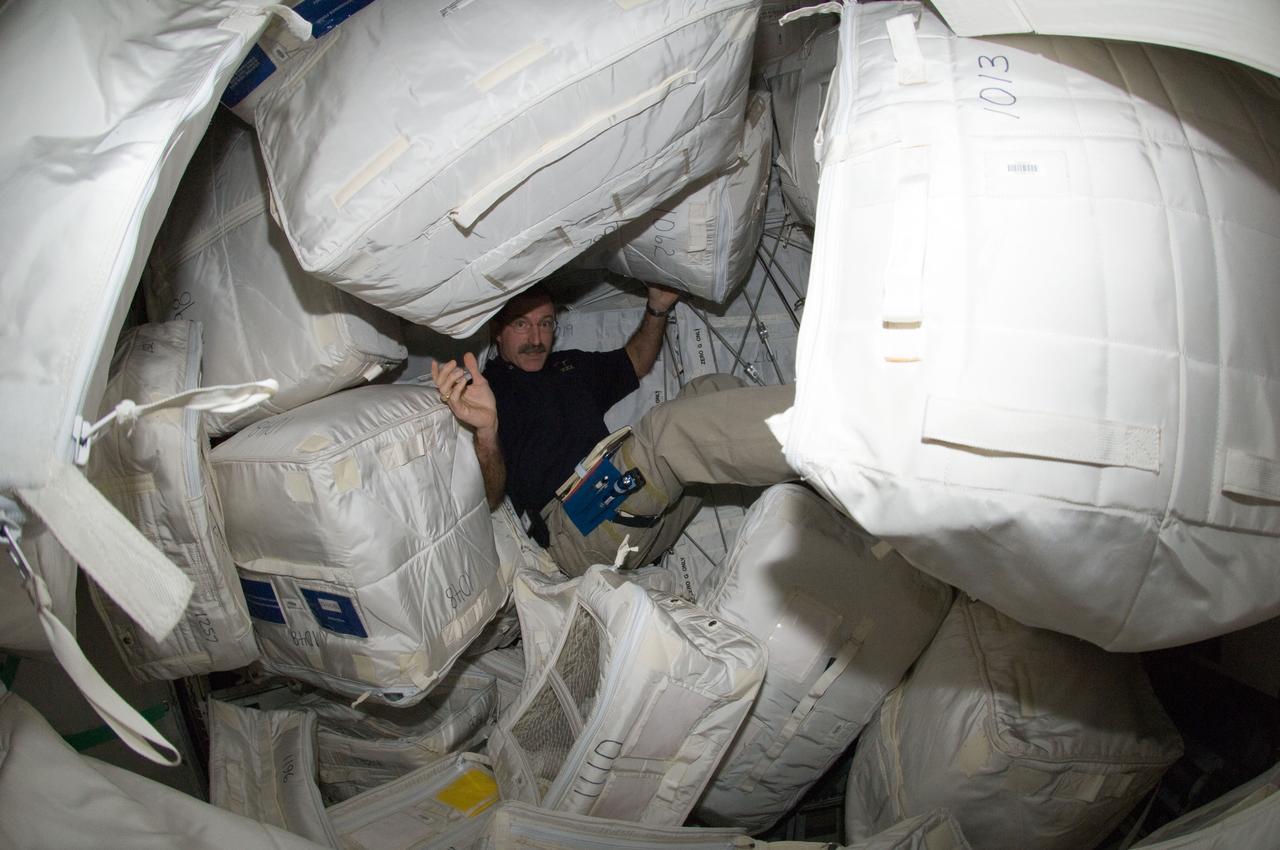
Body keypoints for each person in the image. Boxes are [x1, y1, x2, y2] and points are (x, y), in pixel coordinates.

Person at [432, 283, 796, 576]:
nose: (536, 338)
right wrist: (486, 430)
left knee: (712, 390)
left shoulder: (568, 366)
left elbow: (635, 360)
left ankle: (801, 467)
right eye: (521, 324)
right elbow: (490, 497)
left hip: (635, 518)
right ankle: (819, 438)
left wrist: (657, 309)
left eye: (545, 323)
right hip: (576, 528)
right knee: (664, 433)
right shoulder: (486, 391)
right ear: (498, 332)